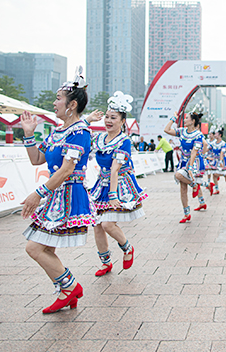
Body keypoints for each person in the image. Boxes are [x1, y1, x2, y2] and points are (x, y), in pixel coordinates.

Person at [20, 66, 96, 314]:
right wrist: (29, 135)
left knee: (34, 247)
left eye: (58, 98)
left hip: (68, 196)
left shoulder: (80, 132)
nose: (54, 103)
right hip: (55, 196)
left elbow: (65, 170)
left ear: (72, 104)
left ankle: (70, 287)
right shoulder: (57, 132)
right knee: (43, 248)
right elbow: (37, 159)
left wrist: (37, 194)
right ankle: (67, 292)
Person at [84, 92, 147, 277]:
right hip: (101, 184)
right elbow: (79, 138)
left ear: (122, 121)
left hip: (120, 185)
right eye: (107, 117)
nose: (108, 121)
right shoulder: (98, 138)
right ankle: (106, 262)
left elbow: (115, 169)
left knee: (108, 224)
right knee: (96, 224)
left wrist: (113, 196)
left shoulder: (124, 141)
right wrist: (87, 120)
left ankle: (127, 248)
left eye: (113, 117)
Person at [164, 108, 208, 223]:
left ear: (193, 121)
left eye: (187, 118)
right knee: (182, 189)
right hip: (182, 161)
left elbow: (194, 151)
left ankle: (196, 185)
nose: (184, 120)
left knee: (178, 175)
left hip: (192, 162)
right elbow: (166, 130)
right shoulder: (182, 131)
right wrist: (173, 118)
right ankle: (186, 213)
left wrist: (190, 167)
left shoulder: (198, 135)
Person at [211, 128, 226, 194]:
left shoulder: (223, 143)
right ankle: (217, 189)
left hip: (221, 160)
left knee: (215, 174)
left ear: (220, 135)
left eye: (216, 134)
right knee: (214, 174)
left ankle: (224, 174)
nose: (215, 135)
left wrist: (221, 161)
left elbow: (222, 153)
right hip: (215, 161)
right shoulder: (213, 143)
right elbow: (208, 148)